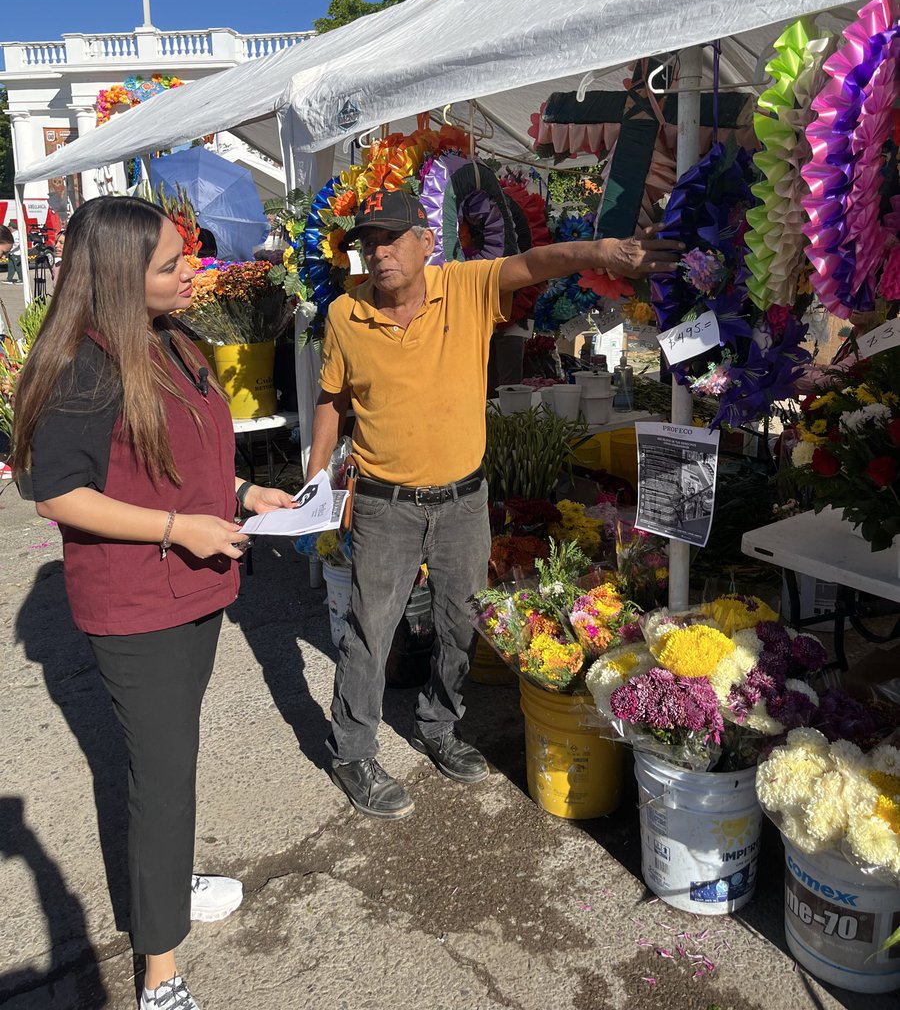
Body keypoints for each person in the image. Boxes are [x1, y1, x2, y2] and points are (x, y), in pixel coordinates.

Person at [307, 187, 682, 819]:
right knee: (370, 628)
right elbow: (331, 400)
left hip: (462, 499)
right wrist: (316, 483)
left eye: (390, 240)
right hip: (383, 502)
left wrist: (609, 252)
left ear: (427, 241)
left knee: (461, 622)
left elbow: (540, 262)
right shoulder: (346, 314)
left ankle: (439, 724)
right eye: (368, 245)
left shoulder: (467, 285)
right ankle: (352, 749)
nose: (378, 255)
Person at [10, 196, 294, 1010]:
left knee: (171, 762)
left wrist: (247, 490)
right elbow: (57, 497)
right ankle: (160, 972)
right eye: (171, 264)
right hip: (140, 609)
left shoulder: (172, 340)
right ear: (117, 276)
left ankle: (165, 880)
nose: (189, 273)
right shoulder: (80, 365)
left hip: (195, 589)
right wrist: (178, 528)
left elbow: (188, 456)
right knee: (160, 778)